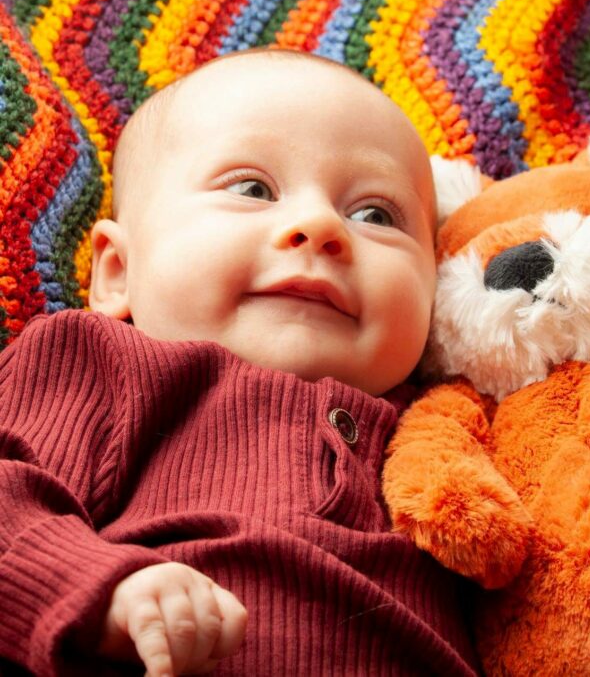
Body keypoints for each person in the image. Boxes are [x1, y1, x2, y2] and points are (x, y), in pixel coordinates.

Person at [0, 50, 479, 676]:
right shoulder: (96, 362)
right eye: (253, 189)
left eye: (375, 215)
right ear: (118, 272)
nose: (319, 224)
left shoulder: (451, 425)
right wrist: (100, 588)